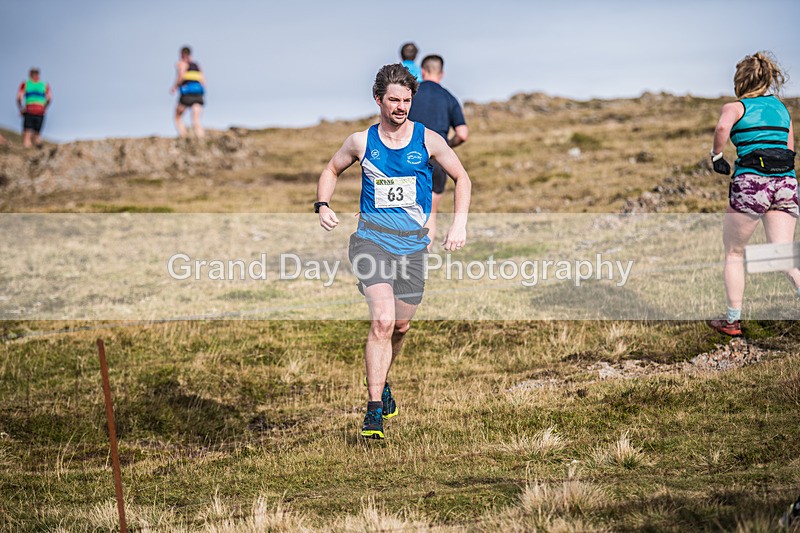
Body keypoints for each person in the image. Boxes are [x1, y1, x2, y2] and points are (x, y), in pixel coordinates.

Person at [315, 64, 471, 439]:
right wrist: (323, 204)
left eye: (406, 100)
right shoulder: (361, 141)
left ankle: (383, 380)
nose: (401, 107)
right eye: (393, 100)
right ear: (378, 100)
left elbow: (462, 177)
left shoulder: (429, 139)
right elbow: (331, 170)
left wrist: (459, 223)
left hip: (413, 247)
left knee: (400, 326)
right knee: (382, 321)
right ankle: (372, 412)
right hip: (371, 241)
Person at [707, 51, 799, 336]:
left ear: (740, 79)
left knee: (734, 252)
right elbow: (790, 145)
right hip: (785, 182)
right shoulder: (782, 109)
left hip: (752, 184)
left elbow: (723, 127)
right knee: (782, 256)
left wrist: (717, 155)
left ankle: (732, 321)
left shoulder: (736, 107)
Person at [407, 54, 469, 249]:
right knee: (430, 214)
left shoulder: (410, 95)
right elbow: (463, 133)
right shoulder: (449, 97)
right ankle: (420, 260)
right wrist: (446, 146)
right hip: (437, 163)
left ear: (422, 71)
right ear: (441, 73)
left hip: (409, 158)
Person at [170, 46, 205, 138]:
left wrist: (175, 87)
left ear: (181, 54)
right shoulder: (197, 65)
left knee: (177, 116)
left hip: (186, 94)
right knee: (196, 119)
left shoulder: (181, 64)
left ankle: (184, 136)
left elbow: (181, 76)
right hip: (198, 94)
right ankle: (201, 138)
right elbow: (203, 81)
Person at [16, 67, 51, 148]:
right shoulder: (44, 84)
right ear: (38, 74)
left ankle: (27, 151)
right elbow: (49, 98)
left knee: (27, 134)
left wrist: (21, 108)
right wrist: (44, 107)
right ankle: (40, 150)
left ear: (30, 74)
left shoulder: (25, 83)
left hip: (29, 110)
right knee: (37, 134)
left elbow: (19, 97)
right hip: (41, 111)